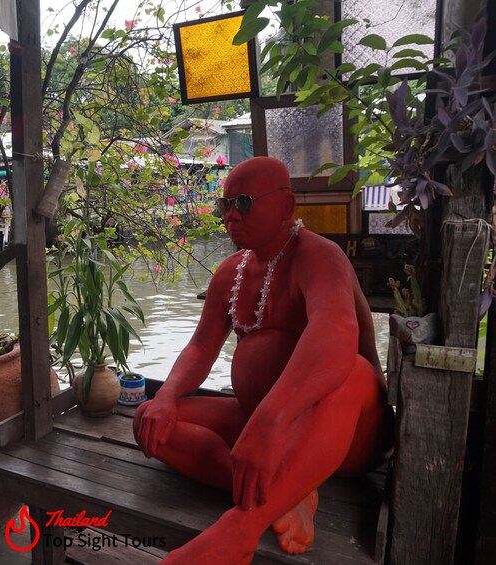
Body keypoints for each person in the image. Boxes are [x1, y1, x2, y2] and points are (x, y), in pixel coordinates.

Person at [133, 157, 393, 564]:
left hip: (343, 432)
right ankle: (288, 492)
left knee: (352, 371)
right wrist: (166, 396)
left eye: (244, 202)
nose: (232, 215)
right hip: (266, 418)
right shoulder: (230, 272)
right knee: (153, 421)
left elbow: (335, 335)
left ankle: (242, 527)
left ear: (287, 207)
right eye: (225, 205)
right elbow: (201, 348)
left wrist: (271, 422)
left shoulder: (319, 256)